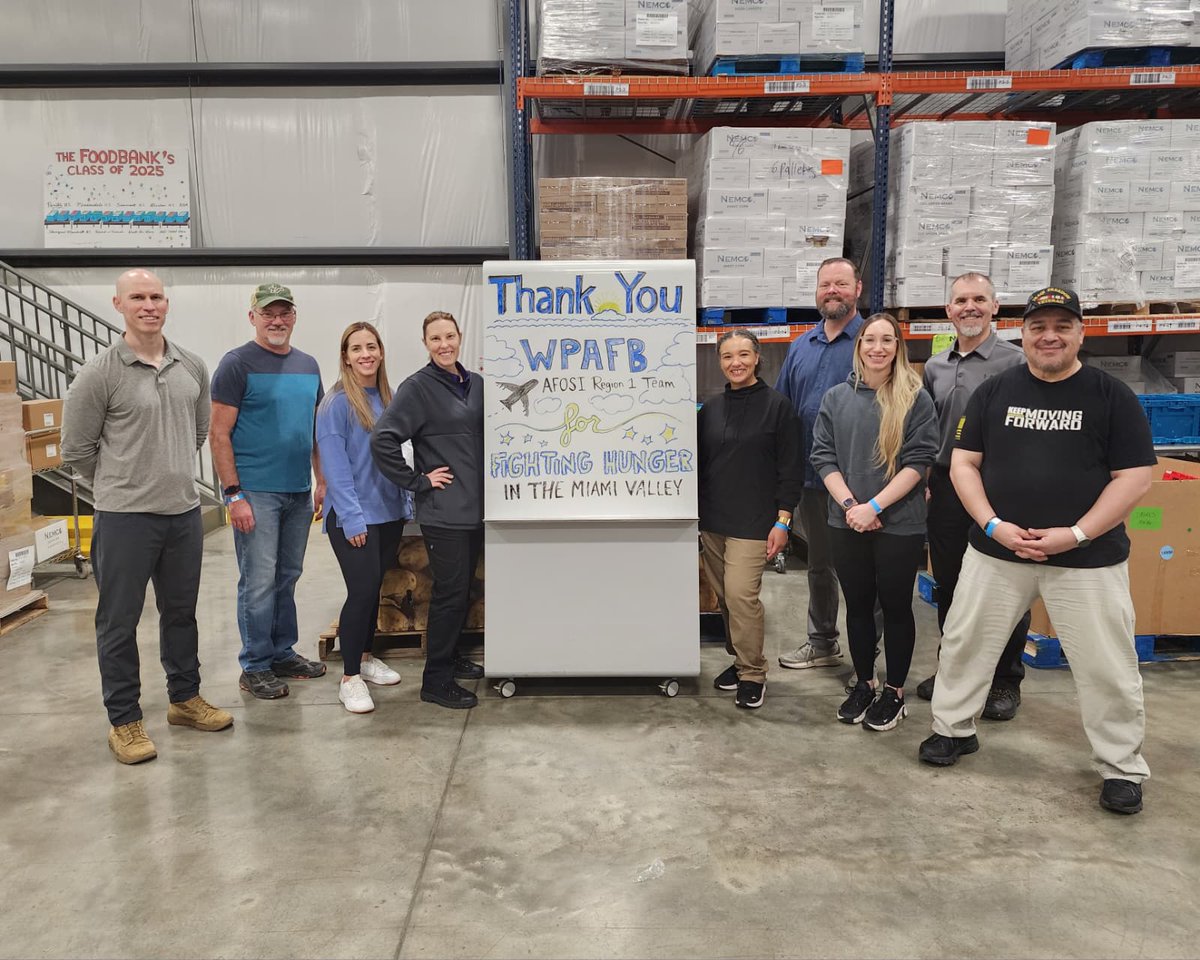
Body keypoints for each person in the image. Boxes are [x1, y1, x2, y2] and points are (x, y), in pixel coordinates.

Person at [920, 286, 1155, 815]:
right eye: (1039, 327)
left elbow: (1135, 477)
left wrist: (1075, 533)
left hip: (1087, 559)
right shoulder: (994, 391)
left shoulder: (1111, 396)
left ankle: (1121, 766)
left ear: (1079, 333)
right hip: (997, 550)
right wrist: (993, 523)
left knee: (1107, 665)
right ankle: (953, 728)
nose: (1050, 336)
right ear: (1022, 333)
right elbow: (963, 464)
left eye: (1062, 327)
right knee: (964, 643)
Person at [62, 269, 233, 764]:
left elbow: (197, 432)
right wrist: (120, 485)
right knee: (119, 622)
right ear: (118, 304)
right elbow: (76, 450)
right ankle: (125, 722)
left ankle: (184, 699)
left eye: (156, 296)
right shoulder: (100, 373)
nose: (149, 304)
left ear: (166, 303)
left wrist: (165, 476)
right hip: (124, 519)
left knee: (181, 614)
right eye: (137, 296)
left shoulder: (192, 367)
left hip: (183, 514)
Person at [810, 312, 939, 730]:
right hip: (845, 519)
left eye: (887, 340)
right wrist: (851, 505)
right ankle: (865, 682)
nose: (877, 348)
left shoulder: (915, 398)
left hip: (899, 523)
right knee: (859, 605)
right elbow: (823, 456)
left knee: (897, 606)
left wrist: (874, 507)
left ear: (898, 347)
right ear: (859, 346)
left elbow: (919, 462)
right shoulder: (835, 398)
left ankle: (895, 692)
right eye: (870, 340)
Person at [916, 273, 1029, 721]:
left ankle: (1005, 680)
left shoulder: (1016, 362)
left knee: (1006, 584)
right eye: (960, 300)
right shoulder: (935, 366)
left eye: (979, 299)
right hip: (945, 487)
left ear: (995, 306)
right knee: (950, 584)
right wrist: (924, 477)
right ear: (948, 311)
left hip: (998, 487)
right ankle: (955, 670)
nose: (969, 307)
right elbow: (925, 431)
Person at [210, 283, 327, 700]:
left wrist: (322, 481)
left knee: (287, 576)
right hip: (255, 491)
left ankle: (282, 652)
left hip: (297, 490)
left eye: (284, 313)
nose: (276, 321)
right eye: (268, 313)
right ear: (252, 317)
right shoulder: (236, 364)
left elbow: (316, 432)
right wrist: (233, 493)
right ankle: (255, 664)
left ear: (294, 316)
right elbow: (218, 433)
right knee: (258, 580)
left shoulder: (309, 366)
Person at [371, 311, 485, 709]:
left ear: (460, 337)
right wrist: (419, 481)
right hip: (445, 513)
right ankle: (435, 681)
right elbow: (383, 440)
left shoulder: (475, 384)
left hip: (477, 510)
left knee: (462, 591)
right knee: (449, 595)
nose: (444, 345)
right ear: (425, 343)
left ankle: (450, 656)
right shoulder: (417, 388)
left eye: (449, 336)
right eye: (435, 339)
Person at [774, 257, 877, 672]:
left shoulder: (872, 342)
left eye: (841, 284)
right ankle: (822, 642)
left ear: (858, 288)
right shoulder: (802, 344)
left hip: (862, 479)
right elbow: (783, 409)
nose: (832, 291)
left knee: (864, 569)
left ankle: (867, 654)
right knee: (819, 564)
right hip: (812, 479)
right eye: (824, 285)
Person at [699, 329, 804, 709]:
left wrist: (783, 520)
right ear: (720, 362)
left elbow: (791, 469)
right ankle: (739, 659)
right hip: (713, 520)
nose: (736, 363)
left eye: (744, 354)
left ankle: (753, 672)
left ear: (757, 358)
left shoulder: (778, 407)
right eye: (728, 357)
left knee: (743, 598)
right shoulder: (710, 409)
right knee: (726, 600)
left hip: (754, 521)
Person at [316, 322, 413, 714]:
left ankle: (367, 656)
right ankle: (350, 676)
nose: (365, 354)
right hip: (354, 516)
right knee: (360, 592)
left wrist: (404, 503)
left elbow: (398, 457)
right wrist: (352, 518)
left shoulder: (387, 398)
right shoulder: (337, 404)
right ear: (345, 357)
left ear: (381, 352)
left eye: (371, 346)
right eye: (356, 348)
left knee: (373, 588)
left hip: (387, 512)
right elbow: (336, 467)